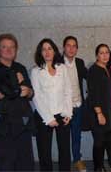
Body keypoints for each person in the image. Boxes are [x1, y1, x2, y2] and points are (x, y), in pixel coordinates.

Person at [0, 33, 35, 171]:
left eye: (12, 47)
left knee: (26, 164)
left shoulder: (20, 68)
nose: (9, 50)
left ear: (16, 50)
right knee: (8, 165)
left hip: (22, 124)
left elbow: (30, 93)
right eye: (4, 47)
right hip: (2, 126)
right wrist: (4, 89)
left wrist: (27, 91)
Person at [31, 38, 73, 171]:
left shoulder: (62, 68)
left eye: (50, 48)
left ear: (54, 51)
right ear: (40, 53)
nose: (47, 52)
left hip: (62, 114)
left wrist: (68, 113)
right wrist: (49, 119)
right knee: (44, 152)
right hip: (44, 116)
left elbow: (68, 91)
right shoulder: (36, 71)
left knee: (65, 150)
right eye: (44, 49)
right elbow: (36, 97)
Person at [62, 36, 87, 171]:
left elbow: (89, 77)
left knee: (77, 135)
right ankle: (65, 163)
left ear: (77, 49)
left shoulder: (80, 62)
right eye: (68, 45)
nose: (71, 48)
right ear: (64, 47)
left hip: (78, 106)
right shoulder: (57, 63)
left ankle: (77, 160)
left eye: (74, 46)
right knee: (64, 138)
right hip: (63, 108)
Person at [87, 44, 111, 172]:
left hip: (105, 111)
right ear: (97, 55)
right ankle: (98, 168)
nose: (105, 55)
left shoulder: (105, 68)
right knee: (99, 141)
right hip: (97, 112)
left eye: (107, 52)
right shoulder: (94, 70)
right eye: (101, 53)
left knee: (102, 141)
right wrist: (99, 113)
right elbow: (93, 93)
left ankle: (100, 166)